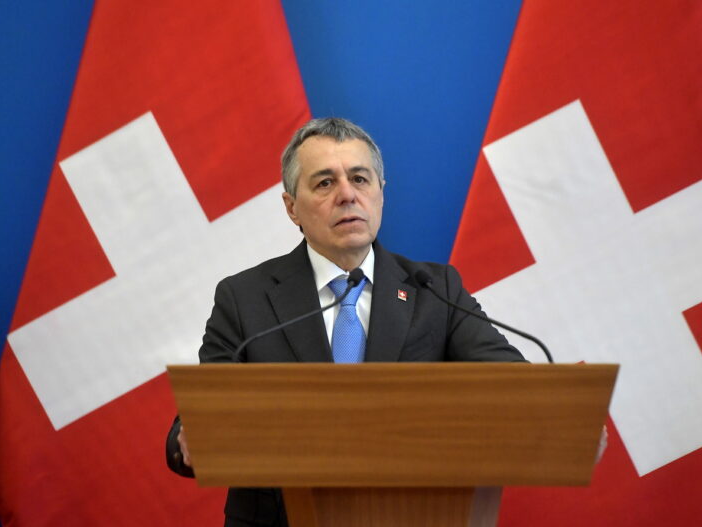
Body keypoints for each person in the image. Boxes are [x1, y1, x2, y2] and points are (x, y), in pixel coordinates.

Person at [166, 117, 526, 526]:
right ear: (291, 208)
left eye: (360, 178)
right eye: (324, 183)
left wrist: (551, 414)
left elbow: (513, 385)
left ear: (381, 193)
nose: (347, 195)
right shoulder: (245, 298)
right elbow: (192, 429)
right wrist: (193, 438)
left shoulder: (436, 290)